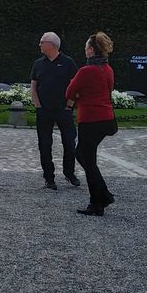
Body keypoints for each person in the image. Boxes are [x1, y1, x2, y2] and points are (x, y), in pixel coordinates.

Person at [64, 31, 117, 216]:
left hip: (90, 119)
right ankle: (98, 201)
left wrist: (78, 97)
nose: (85, 49)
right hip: (106, 119)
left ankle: (102, 197)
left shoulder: (86, 71)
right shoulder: (108, 69)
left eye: (86, 47)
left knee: (84, 156)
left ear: (92, 50)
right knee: (88, 157)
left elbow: (69, 92)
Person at [30, 32, 79, 190]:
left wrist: (69, 105)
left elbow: (76, 85)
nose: (39, 45)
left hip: (63, 110)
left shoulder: (68, 63)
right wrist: (38, 105)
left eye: (42, 42)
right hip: (44, 110)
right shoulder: (38, 63)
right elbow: (33, 86)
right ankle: (49, 177)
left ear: (51, 44)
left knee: (70, 143)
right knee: (44, 144)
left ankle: (69, 172)